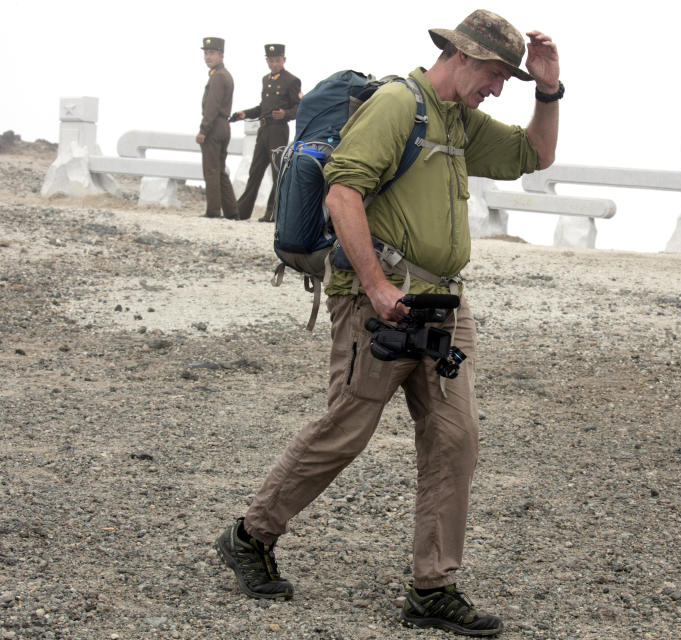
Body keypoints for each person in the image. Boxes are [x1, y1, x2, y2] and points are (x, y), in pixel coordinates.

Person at [215, 9, 560, 637]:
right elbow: (342, 192)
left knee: (456, 439)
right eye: (496, 73)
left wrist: (548, 88)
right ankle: (249, 534)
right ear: (461, 55)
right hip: (379, 306)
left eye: (509, 79)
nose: (498, 87)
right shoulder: (401, 105)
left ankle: (432, 587)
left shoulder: (459, 119)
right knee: (344, 431)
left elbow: (534, 154)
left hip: (443, 309)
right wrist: (374, 285)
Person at [233, 44, 301, 222]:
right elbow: (262, 108)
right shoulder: (266, 80)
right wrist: (245, 114)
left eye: (277, 60)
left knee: (277, 172)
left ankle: (272, 213)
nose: (274, 64)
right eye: (271, 60)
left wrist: (286, 114)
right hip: (264, 129)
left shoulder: (292, 81)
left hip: (278, 130)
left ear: (284, 60)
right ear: (267, 61)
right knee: (255, 171)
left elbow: (300, 106)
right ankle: (242, 212)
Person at [197, 37, 238, 219]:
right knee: (220, 170)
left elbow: (212, 107)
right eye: (206, 53)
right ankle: (232, 212)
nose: (208, 57)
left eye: (212, 53)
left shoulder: (219, 76)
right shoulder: (223, 74)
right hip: (223, 125)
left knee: (212, 169)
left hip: (215, 126)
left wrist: (203, 130)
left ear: (221, 55)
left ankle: (213, 210)